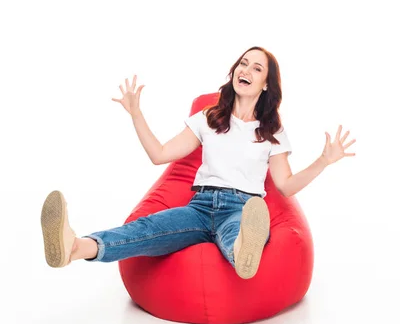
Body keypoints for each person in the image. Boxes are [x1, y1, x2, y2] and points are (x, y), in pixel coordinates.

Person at [40, 46, 356, 279]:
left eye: (256, 68)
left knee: (237, 236)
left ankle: (245, 253)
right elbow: (159, 154)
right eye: (242, 64)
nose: (245, 70)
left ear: (266, 85)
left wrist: (323, 161)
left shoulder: (271, 131)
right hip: (200, 206)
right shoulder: (209, 118)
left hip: (243, 208)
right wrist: (136, 114)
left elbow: (285, 185)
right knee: (145, 229)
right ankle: (73, 247)